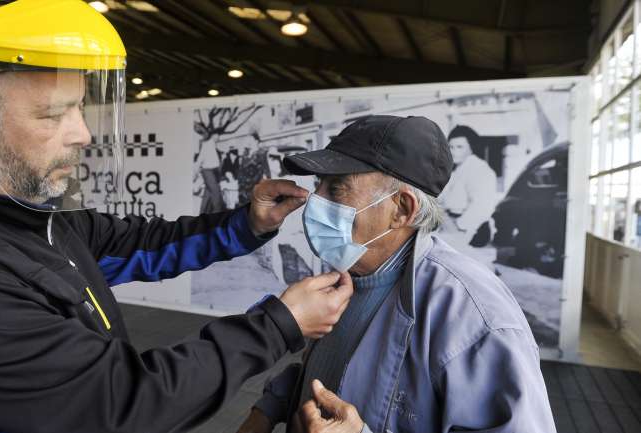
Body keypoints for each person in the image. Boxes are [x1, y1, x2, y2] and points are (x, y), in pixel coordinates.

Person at [0, 2, 354, 432]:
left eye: (80, 107)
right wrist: (279, 326)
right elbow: (123, 405)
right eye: (53, 114)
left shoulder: (22, 216)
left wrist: (247, 223)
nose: (81, 133)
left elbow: (143, 245)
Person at [237, 115, 556, 433]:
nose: (314, 200)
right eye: (318, 183)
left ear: (402, 209)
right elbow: (331, 369)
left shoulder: (473, 317)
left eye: (336, 188)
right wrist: (270, 406)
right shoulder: (352, 274)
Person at [439, 125, 497, 245]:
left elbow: (481, 205)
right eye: (451, 147)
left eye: (460, 147)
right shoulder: (456, 170)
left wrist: (458, 226)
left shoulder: (479, 169)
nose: (453, 151)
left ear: (471, 148)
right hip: (448, 222)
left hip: (469, 228)